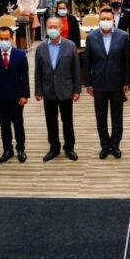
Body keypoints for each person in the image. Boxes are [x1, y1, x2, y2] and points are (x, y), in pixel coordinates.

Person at [83, 7, 130, 159]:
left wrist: (127, 81)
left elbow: (127, 61)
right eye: (103, 19)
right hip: (98, 83)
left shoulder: (123, 36)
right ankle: (104, 145)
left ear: (113, 20)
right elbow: (87, 62)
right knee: (101, 117)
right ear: (99, 20)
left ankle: (115, 145)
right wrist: (88, 83)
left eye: (108, 19)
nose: (106, 21)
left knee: (117, 117)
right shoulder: (91, 37)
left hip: (118, 83)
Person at [35, 16, 81, 162]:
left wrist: (77, 90)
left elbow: (76, 69)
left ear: (61, 28)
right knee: (51, 121)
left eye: (55, 27)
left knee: (67, 121)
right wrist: (38, 91)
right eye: (50, 27)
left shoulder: (70, 46)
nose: (53, 29)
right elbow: (38, 71)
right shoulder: (40, 48)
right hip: (48, 90)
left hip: (66, 90)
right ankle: (54, 147)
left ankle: (69, 147)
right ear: (46, 28)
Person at [0, 27, 29, 163]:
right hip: (0, 98)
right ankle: (7, 149)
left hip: (17, 97)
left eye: (7, 39)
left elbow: (25, 77)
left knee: (18, 124)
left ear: (12, 38)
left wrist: (24, 95)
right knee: (4, 125)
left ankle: (20, 148)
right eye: (1, 39)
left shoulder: (20, 55)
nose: (4, 41)